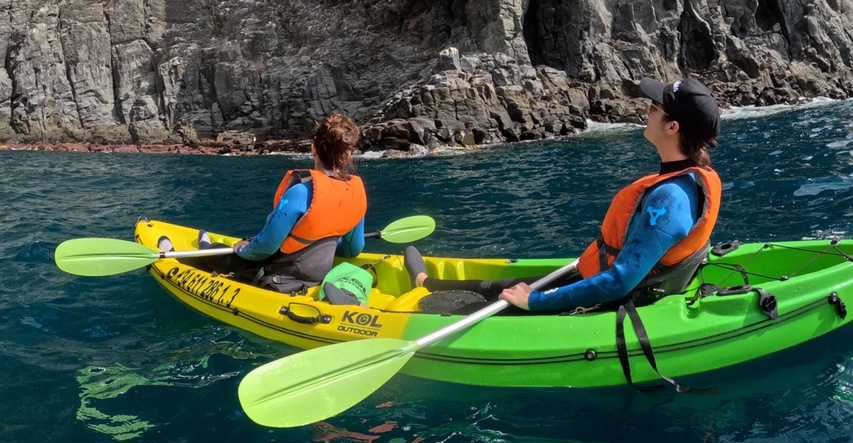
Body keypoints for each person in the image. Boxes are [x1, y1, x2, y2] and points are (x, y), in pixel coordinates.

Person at [404, 77, 722, 313]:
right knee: (497, 287)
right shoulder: (685, 178)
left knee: (489, 301)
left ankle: (415, 307)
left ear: (672, 128)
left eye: (654, 108)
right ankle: (424, 283)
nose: (646, 111)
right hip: (601, 277)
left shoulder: (671, 199)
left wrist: (536, 301)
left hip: (613, 298)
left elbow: (619, 282)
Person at [160, 113, 367, 290]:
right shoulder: (356, 191)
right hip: (319, 274)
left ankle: (181, 255)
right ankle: (208, 246)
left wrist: (241, 249)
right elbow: (352, 249)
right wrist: (324, 249)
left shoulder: (300, 192)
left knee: (221, 252)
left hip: (280, 274)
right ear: (347, 153)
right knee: (248, 241)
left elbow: (266, 247)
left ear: (313, 149)